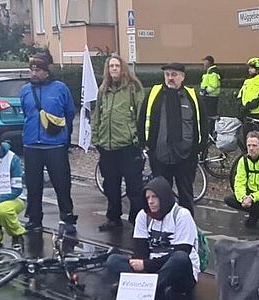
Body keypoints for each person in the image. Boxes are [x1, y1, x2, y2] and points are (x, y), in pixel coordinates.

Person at [106, 177, 201, 300]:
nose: (150, 202)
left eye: (154, 197)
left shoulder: (182, 215)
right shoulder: (143, 216)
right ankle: (153, 286)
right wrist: (140, 263)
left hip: (177, 272)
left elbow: (183, 250)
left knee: (180, 258)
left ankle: (144, 288)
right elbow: (140, 250)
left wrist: (146, 264)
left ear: (164, 197)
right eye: (147, 198)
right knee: (113, 260)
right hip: (151, 270)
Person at [19, 53, 78, 234]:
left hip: (55, 144)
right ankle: (34, 218)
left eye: (37, 70)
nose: (34, 73)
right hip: (31, 144)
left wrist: (64, 135)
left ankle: (67, 215)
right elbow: (26, 112)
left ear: (46, 72)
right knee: (33, 184)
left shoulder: (60, 88)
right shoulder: (25, 90)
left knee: (62, 182)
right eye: (32, 70)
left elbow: (69, 112)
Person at [138, 62, 204, 213]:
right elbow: (142, 118)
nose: (170, 78)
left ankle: (187, 227)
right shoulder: (155, 94)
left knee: (186, 194)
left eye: (174, 75)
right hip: (160, 154)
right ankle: (163, 226)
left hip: (185, 156)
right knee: (161, 194)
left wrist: (198, 148)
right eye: (167, 75)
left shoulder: (191, 96)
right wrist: (146, 145)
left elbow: (202, 122)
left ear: (182, 77)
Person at [91, 54, 145, 231]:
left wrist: (137, 139)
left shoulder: (133, 88)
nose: (114, 69)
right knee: (111, 186)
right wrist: (96, 138)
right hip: (107, 146)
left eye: (117, 66)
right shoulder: (103, 90)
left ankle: (137, 220)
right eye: (111, 66)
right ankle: (113, 218)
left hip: (128, 146)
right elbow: (97, 115)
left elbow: (140, 115)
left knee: (134, 187)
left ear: (122, 68)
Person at [224, 131, 259, 227]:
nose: (251, 148)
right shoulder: (243, 161)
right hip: (250, 194)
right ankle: (256, 212)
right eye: (249, 145)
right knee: (229, 199)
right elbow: (239, 183)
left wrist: (253, 197)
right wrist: (243, 198)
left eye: (254, 145)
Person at [199, 55, 221, 137]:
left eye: (205, 61)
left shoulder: (213, 72)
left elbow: (214, 85)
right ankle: (209, 133)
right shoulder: (208, 71)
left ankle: (210, 134)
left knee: (210, 117)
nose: (203, 63)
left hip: (211, 97)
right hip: (208, 97)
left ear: (209, 62)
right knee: (208, 116)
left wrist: (206, 91)